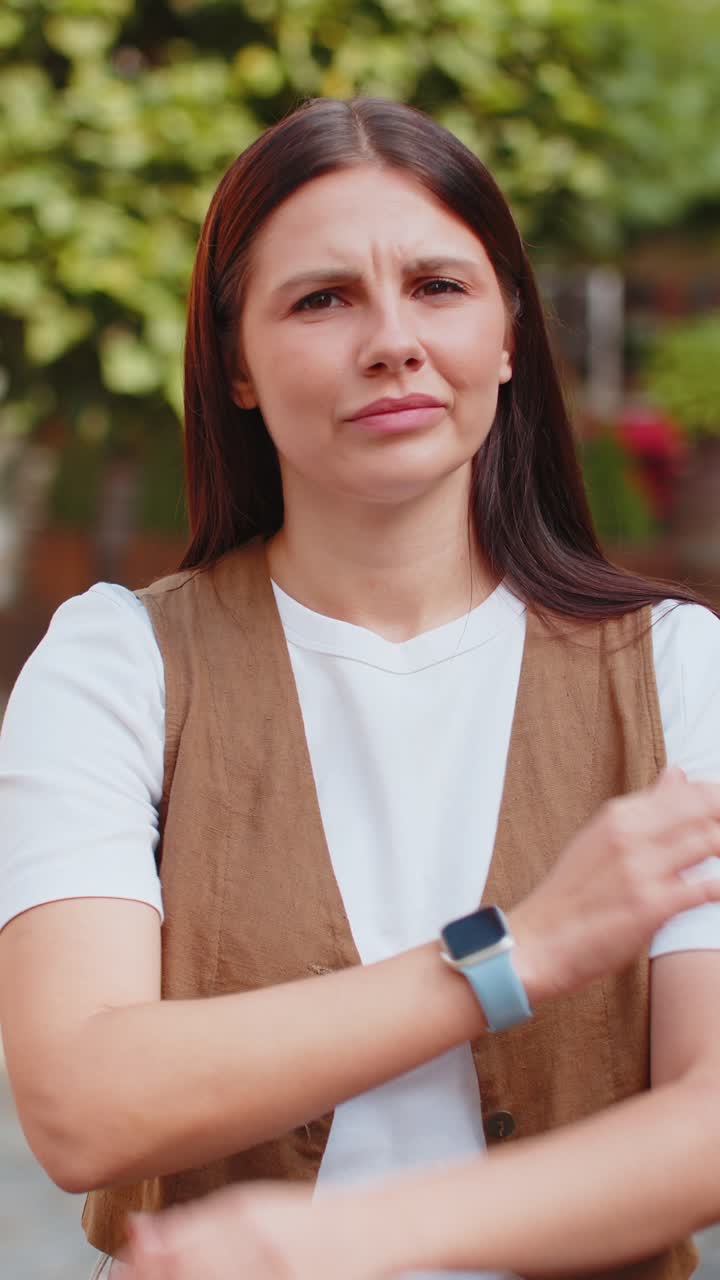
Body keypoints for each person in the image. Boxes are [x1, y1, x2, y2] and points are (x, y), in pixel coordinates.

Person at [1, 96, 720, 1280]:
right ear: (234, 360)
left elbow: (704, 1125)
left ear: (504, 335)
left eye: (439, 286)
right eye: (321, 297)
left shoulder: (673, 669)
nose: (392, 338)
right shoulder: (114, 663)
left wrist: (341, 1242)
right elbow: (81, 1104)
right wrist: (510, 953)